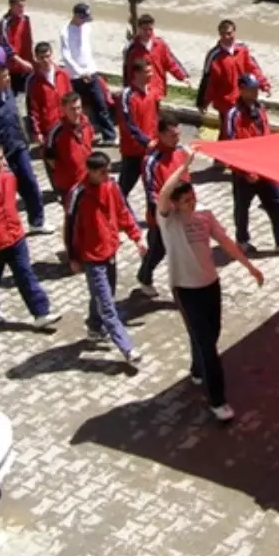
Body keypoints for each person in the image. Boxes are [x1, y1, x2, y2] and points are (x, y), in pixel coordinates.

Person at [158, 149, 264, 421]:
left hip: (210, 285)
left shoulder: (206, 217)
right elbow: (163, 194)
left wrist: (249, 266)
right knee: (208, 346)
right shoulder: (169, 222)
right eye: (185, 200)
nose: (191, 203)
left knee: (211, 333)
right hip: (185, 289)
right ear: (176, 204)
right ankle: (218, 401)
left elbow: (227, 244)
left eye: (193, 198)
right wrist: (184, 167)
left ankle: (196, 369)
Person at [0, 144, 60, 327]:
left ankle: (41, 313)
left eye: (1, 158)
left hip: (16, 238)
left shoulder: (9, 177)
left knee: (26, 275)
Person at [65, 151, 147, 364]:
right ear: (91, 172)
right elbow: (70, 228)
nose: (107, 175)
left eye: (109, 170)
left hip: (110, 252)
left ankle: (93, 326)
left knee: (101, 296)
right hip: (92, 258)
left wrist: (137, 237)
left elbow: (123, 212)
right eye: (103, 172)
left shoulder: (112, 187)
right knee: (108, 305)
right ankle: (127, 349)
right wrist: (73, 257)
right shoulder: (78, 194)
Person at [225, 75, 279, 255]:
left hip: (264, 169)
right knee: (242, 208)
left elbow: (265, 136)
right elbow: (230, 145)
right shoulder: (233, 115)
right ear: (241, 90)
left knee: (278, 202)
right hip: (245, 174)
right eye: (250, 90)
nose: (254, 94)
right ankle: (242, 240)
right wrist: (244, 171)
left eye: (256, 90)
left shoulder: (260, 110)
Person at [0, 63, 48, 234]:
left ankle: (37, 221)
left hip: (19, 146)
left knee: (30, 182)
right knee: (5, 191)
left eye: (8, 75)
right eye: (3, 76)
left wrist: (25, 138)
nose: (8, 79)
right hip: (2, 154)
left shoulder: (8, 93)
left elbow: (16, 117)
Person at [137, 114, 188, 296]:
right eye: (172, 135)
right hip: (162, 216)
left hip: (183, 211)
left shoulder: (181, 152)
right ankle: (144, 276)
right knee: (158, 251)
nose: (177, 139)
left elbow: (186, 178)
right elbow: (152, 194)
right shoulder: (151, 161)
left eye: (178, 134)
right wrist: (166, 213)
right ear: (161, 135)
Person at [197, 19, 270, 140]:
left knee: (244, 129)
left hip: (243, 99)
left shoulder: (242, 50)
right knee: (227, 133)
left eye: (229, 33)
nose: (226, 37)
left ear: (234, 32)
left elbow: (253, 68)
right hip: (226, 103)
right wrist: (203, 101)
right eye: (223, 34)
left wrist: (264, 84)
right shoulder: (214, 56)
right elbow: (209, 82)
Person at [60, 3, 117, 144]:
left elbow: (87, 50)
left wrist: (91, 69)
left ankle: (109, 135)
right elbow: (67, 56)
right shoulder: (65, 32)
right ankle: (83, 135)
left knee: (101, 103)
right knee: (80, 108)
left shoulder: (87, 28)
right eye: (82, 18)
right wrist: (80, 72)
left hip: (91, 72)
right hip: (76, 76)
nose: (84, 21)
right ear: (76, 16)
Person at [116, 59, 159, 200]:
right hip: (133, 151)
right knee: (124, 188)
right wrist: (145, 141)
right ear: (136, 73)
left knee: (153, 187)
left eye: (151, 71)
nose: (151, 75)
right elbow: (128, 124)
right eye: (147, 72)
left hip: (151, 149)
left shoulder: (152, 92)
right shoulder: (127, 96)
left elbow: (155, 117)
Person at [122, 13, 189, 100]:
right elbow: (128, 72)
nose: (148, 32)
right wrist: (127, 91)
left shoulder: (160, 45)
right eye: (144, 29)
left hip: (157, 91)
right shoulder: (132, 49)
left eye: (150, 29)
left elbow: (171, 62)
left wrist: (183, 77)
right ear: (139, 29)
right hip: (139, 93)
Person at [44, 92, 94, 203]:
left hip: (87, 179)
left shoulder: (86, 123)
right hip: (69, 186)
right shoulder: (57, 132)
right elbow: (50, 158)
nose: (77, 112)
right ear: (63, 109)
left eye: (79, 108)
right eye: (72, 109)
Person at [28, 42, 72, 146]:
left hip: (66, 123)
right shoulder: (34, 81)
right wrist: (37, 132)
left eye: (48, 56)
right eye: (42, 57)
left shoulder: (63, 74)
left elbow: (72, 98)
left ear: (52, 55)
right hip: (49, 128)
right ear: (37, 58)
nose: (46, 60)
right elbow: (33, 109)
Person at [0, 0, 35, 96]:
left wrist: (31, 61)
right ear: (11, 6)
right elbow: (5, 46)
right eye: (19, 7)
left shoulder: (26, 19)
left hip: (27, 66)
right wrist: (22, 62)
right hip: (12, 67)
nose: (22, 9)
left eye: (23, 6)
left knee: (30, 95)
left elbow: (29, 41)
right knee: (11, 96)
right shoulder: (4, 23)